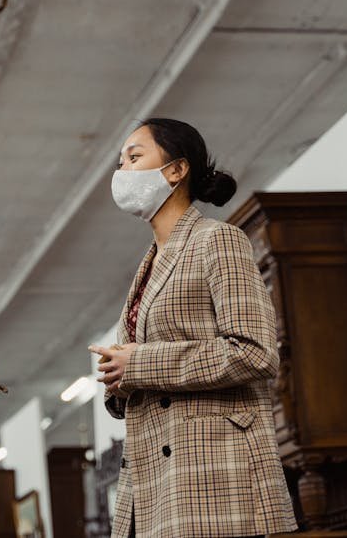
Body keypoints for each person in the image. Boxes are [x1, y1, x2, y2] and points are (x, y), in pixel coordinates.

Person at [89, 118, 297, 538]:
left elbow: (255, 351)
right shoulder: (146, 267)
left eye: (134, 157)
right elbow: (140, 370)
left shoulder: (218, 240)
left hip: (214, 476)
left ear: (176, 170)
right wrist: (120, 382)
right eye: (120, 161)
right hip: (156, 482)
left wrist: (140, 363)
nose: (122, 172)